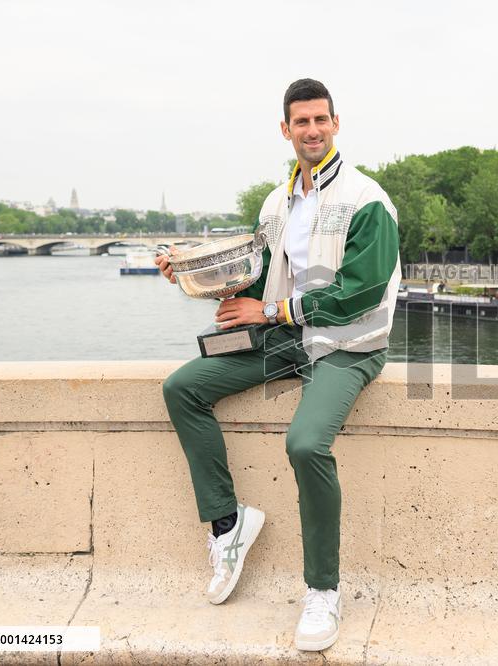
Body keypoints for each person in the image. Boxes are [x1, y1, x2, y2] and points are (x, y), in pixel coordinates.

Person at [155, 78, 401, 653]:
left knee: (306, 444)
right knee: (182, 388)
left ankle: (322, 591)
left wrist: (269, 310)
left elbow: (361, 293)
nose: (311, 131)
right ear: (285, 129)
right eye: (301, 122)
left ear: (336, 124)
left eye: (320, 120)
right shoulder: (276, 201)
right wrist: (187, 272)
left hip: (349, 344)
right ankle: (227, 523)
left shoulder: (369, 201)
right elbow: (256, 279)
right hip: (289, 338)